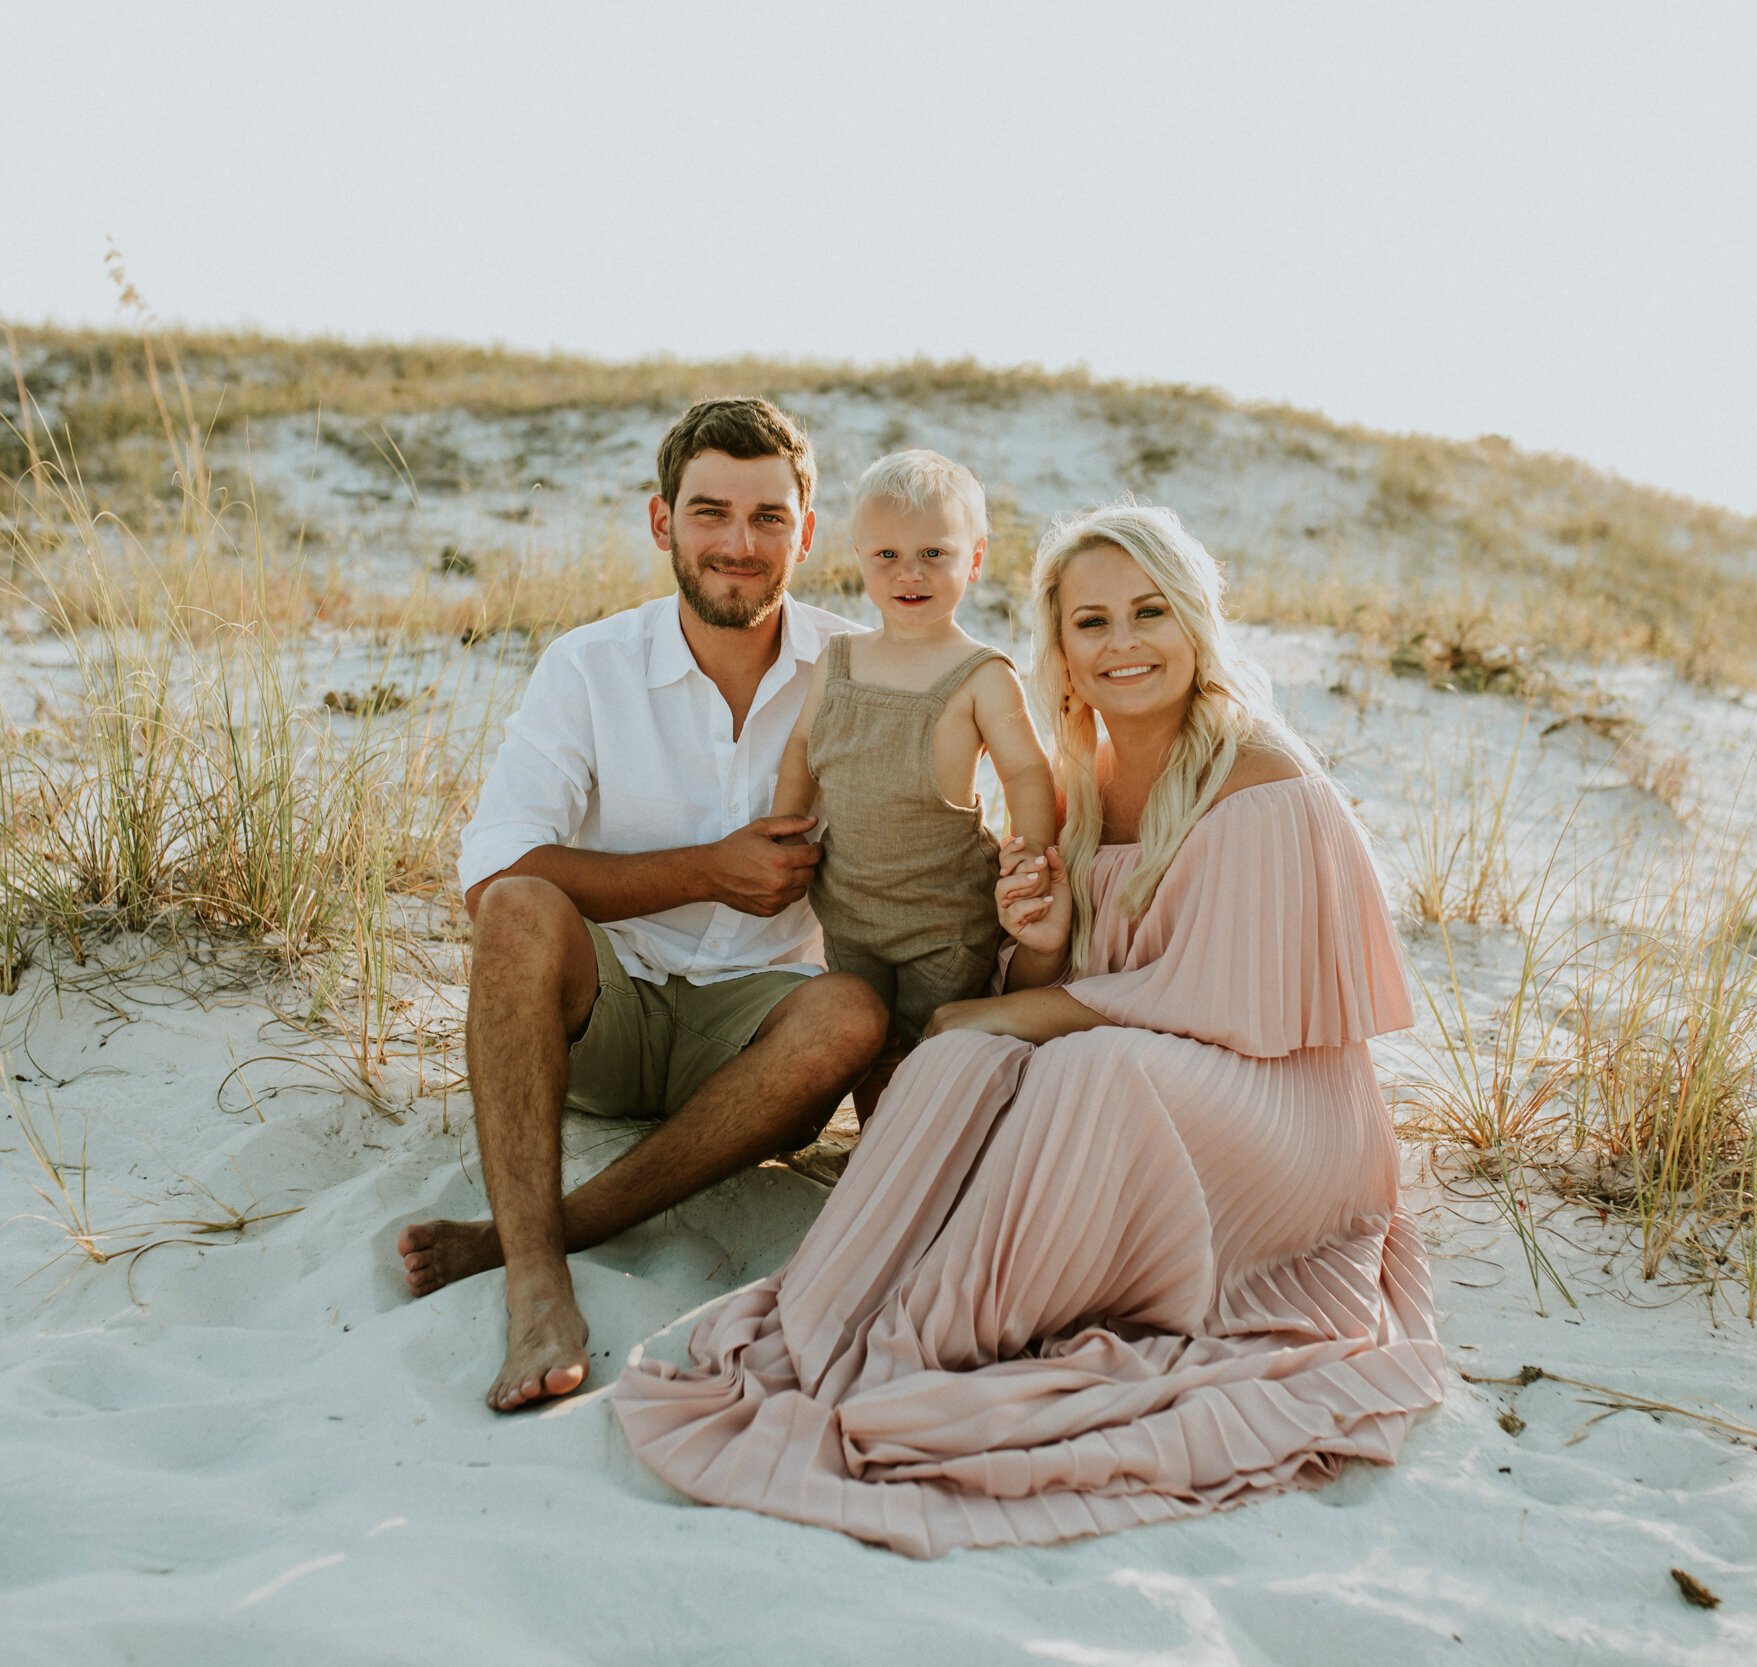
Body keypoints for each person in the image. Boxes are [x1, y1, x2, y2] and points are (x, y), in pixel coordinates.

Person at [612, 502, 1444, 1557]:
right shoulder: (1075, 780)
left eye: (1149, 612)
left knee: (1083, 1070)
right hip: (1145, 1062)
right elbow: (1065, 973)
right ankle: (856, 1329)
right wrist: (1036, 943)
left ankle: (958, 1339)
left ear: (1194, 621)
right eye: (1092, 623)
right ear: (1061, 645)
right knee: (953, 1058)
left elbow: (1213, 1003)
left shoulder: (1262, 777)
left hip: (1283, 1109)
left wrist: (1014, 1003)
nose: (1124, 643)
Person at [397, 397, 889, 1413]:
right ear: (662, 522)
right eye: (710, 513)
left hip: (754, 1045)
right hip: (601, 1024)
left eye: (765, 518)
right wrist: (706, 869)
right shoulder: (588, 664)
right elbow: (494, 870)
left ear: (804, 529)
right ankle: (538, 1281)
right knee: (522, 908)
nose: (737, 544)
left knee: (850, 1009)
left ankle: (541, 1226)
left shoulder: (860, 672)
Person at [769, 450, 1058, 1082]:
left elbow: (1028, 771)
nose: (910, 572)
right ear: (860, 561)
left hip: (945, 917)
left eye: (934, 553)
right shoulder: (839, 660)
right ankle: (874, 1156)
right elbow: (800, 750)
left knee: (929, 1050)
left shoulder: (980, 672)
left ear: (974, 560)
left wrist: (1032, 851)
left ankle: (921, 1153)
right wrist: (783, 824)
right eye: (887, 555)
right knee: (864, 1044)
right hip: (850, 906)